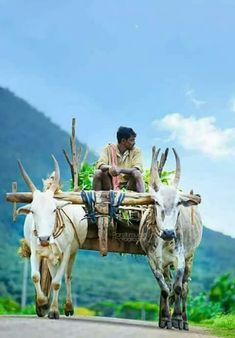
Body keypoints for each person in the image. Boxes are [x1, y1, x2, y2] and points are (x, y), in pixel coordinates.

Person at [92, 126, 145, 192]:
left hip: (129, 186)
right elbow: (100, 165)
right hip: (110, 185)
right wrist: (111, 168)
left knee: (137, 173)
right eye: (131, 140)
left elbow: (137, 168)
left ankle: (143, 197)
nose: (134, 142)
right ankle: (96, 200)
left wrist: (120, 170)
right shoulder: (108, 148)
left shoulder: (136, 151)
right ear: (123, 141)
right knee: (98, 173)